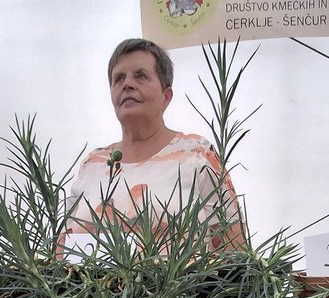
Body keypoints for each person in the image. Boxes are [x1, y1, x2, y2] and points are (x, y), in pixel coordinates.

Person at [65, 38, 245, 251]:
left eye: (140, 76)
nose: (127, 84)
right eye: (118, 78)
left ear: (166, 97)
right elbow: (64, 250)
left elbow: (235, 258)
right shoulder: (92, 165)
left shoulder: (197, 156)